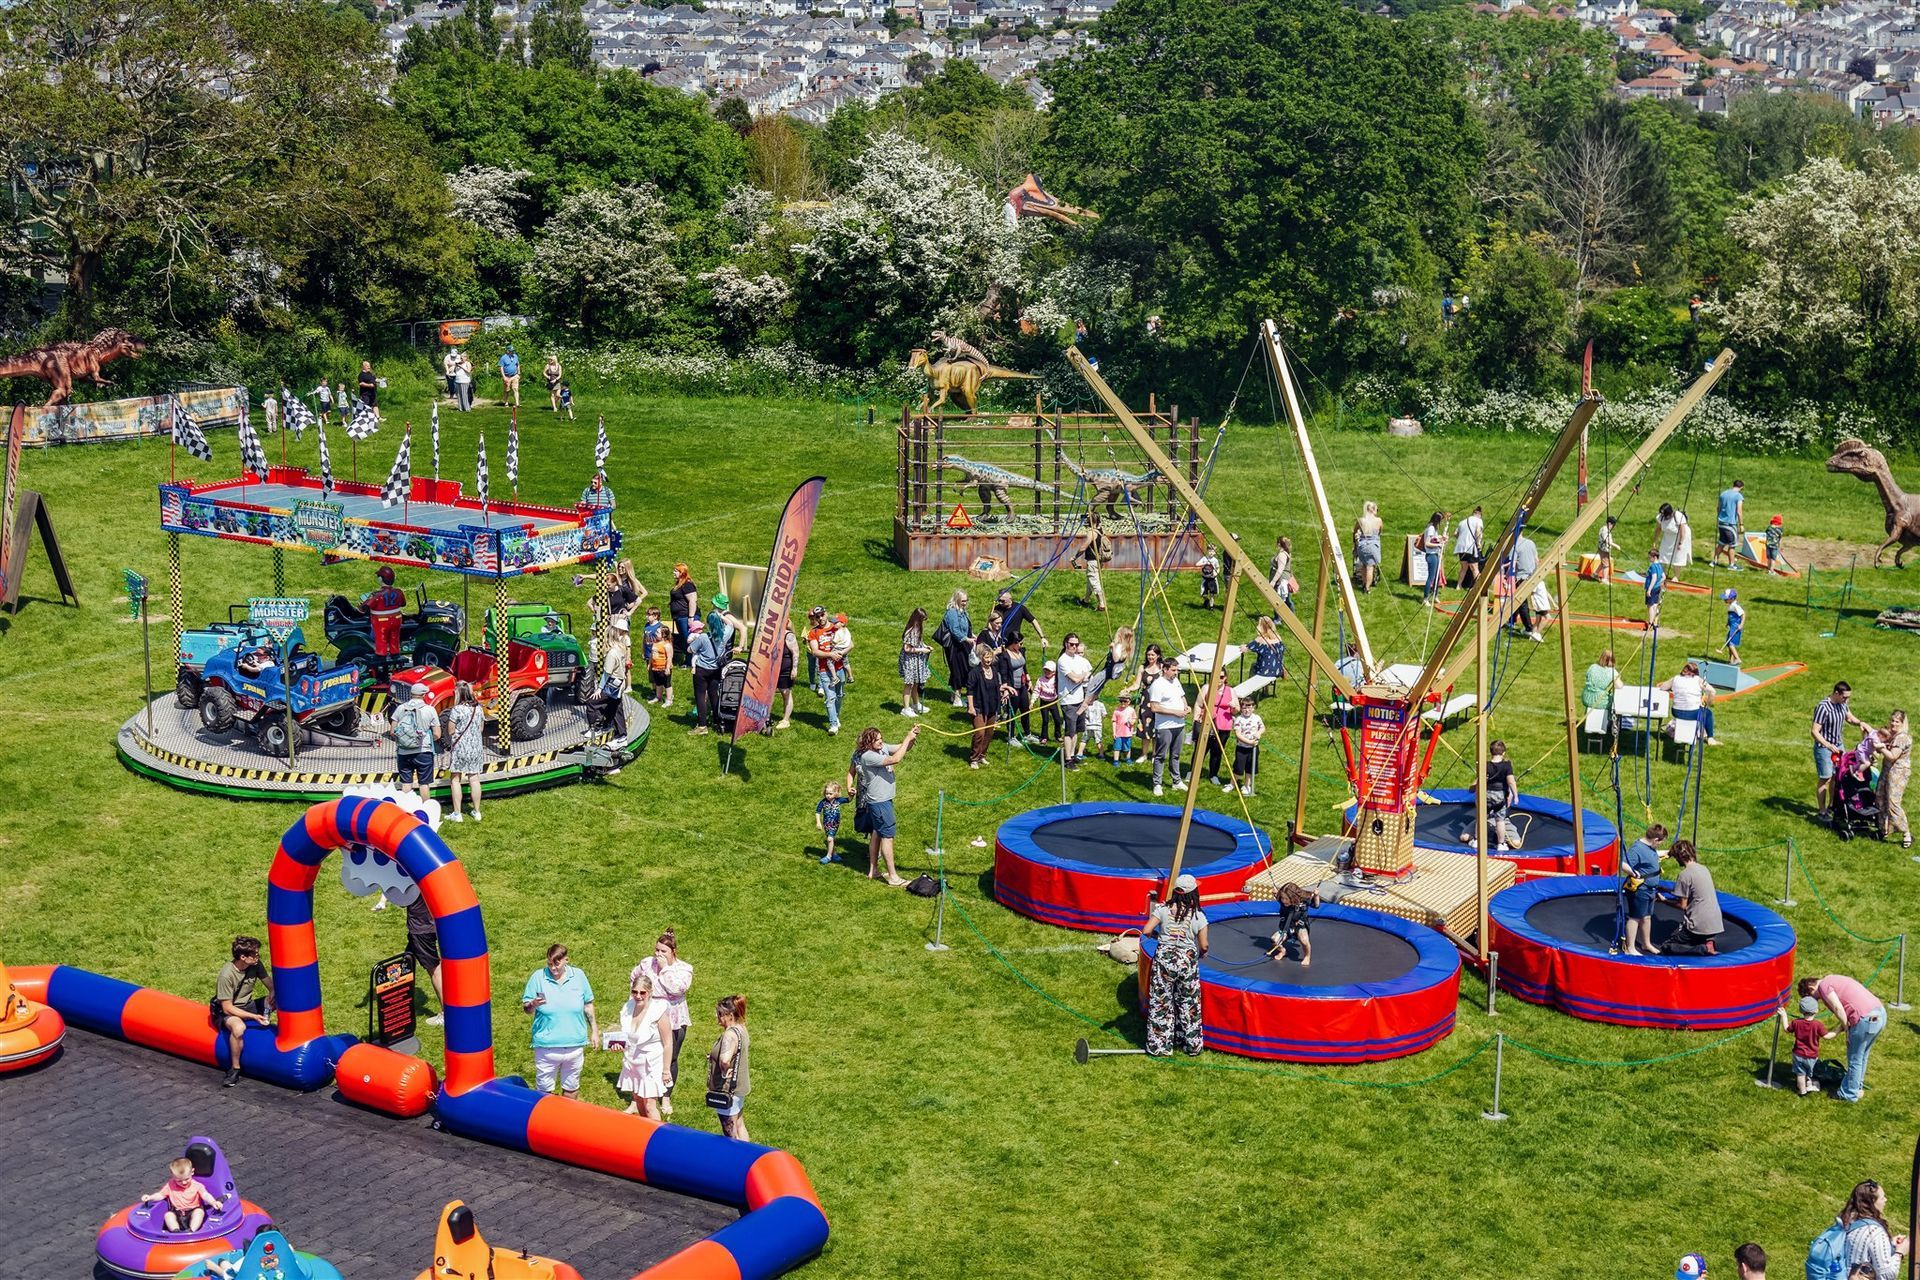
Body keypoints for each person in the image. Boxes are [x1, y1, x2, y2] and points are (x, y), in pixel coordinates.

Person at [1141, 874, 1208, 1056]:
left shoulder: (1163, 909)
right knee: (1189, 1002)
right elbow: (1203, 944)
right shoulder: (1198, 916)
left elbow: (1146, 930)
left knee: (1161, 1002)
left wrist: (1159, 937)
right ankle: (1192, 1045)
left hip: (1164, 960)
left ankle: (1159, 1047)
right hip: (1186, 960)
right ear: (1193, 893)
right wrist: (1203, 953)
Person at [522, 944, 596, 1099]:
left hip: (575, 1046)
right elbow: (526, 1009)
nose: (553, 968)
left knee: (571, 1087)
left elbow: (588, 1005)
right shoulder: (538, 977)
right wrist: (533, 1004)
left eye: (557, 963)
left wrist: (595, 1031)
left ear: (566, 960)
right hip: (546, 1048)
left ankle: (568, 1120)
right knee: (544, 1093)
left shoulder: (579, 976)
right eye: (549, 964)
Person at [848, 725, 919, 887]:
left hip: (881, 801)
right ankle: (893, 877)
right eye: (877, 740)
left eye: (881, 738)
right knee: (888, 836)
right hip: (880, 802)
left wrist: (911, 738)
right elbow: (895, 759)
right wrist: (908, 738)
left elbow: (903, 749)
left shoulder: (882, 748)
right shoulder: (868, 756)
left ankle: (874, 870)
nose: (881, 741)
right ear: (869, 742)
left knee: (877, 833)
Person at [1800, 973, 1887, 1103]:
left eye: (1813, 998)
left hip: (1865, 1019)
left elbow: (1837, 1008)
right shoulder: (1832, 978)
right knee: (1862, 1055)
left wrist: (1846, 1030)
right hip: (1880, 1013)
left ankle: (1849, 1094)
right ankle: (1856, 1087)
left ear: (1811, 989)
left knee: (1855, 1058)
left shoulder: (1824, 986)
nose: (1816, 1001)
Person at [633, 930, 693, 1115]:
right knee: (645, 1055)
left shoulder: (683, 969)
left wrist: (665, 969)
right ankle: (640, 1097)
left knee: (671, 1056)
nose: (658, 954)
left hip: (673, 1019)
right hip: (649, 1016)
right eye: (657, 950)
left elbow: (677, 989)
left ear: (673, 951)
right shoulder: (646, 964)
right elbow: (634, 978)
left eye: (663, 951)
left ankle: (665, 1095)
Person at [212, 935, 273, 1088]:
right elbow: (227, 1007)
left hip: (247, 1005)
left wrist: (273, 993)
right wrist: (253, 1016)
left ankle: (267, 1022)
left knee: (282, 999)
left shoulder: (256, 964)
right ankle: (235, 1069)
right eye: (255, 955)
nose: (258, 957)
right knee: (239, 1028)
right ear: (243, 957)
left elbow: (270, 984)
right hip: (228, 1010)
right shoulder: (227, 975)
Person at [613, 970, 674, 1119]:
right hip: (632, 1062)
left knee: (650, 1105)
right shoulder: (628, 1008)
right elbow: (627, 1037)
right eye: (635, 992)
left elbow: (668, 1043)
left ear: (650, 992)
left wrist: (666, 1070)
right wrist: (617, 1045)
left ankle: (658, 1138)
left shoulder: (658, 1011)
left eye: (642, 993)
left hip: (651, 1064)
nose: (638, 996)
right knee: (639, 1102)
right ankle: (644, 1136)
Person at [1813, 682, 1865, 822]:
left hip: (1838, 746)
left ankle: (1832, 806)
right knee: (1826, 778)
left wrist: (1861, 723)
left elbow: (1849, 718)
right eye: (1845, 697)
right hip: (1824, 748)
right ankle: (1822, 811)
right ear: (1836, 693)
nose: (1846, 700)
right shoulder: (1823, 707)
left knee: (1838, 777)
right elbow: (1815, 731)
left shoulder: (1842, 704)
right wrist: (1828, 745)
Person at [1660, 841, 1723, 955]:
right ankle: (1709, 939)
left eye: (1675, 858)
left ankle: (1701, 949)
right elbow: (1691, 892)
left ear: (1679, 857)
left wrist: (1664, 900)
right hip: (1715, 922)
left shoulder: (1684, 875)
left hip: (1698, 924)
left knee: (1667, 947)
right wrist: (1665, 890)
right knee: (1698, 934)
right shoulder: (1703, 869)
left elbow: (1682, 905)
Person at [1839, 1180, 1908, 1278]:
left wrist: (1890, 1245)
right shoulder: (1874, 1232)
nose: (1886, 1200)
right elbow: (1886, 1275)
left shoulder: (1847, 1220)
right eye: (1882, 1197)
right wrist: (1900, 1252)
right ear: (1872, 1203)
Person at [1461, 739, 1521, 851]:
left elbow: (1479, 782)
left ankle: (1477, 840)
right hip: (1499, 796)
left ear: (1491, 752)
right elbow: (1511, 781)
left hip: (1486, 795)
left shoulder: (1485, 765)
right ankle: (1501, 844)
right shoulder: (1507, 765)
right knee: (1500, 820)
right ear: (1503, 753)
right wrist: (1515, 795)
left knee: (1481, 818)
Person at [706, 994, 751, 1141]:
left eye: (720, 1013)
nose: (717, 1016)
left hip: (727, 1089)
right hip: (740, 1087)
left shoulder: (729, 1035)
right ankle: (748, 1157)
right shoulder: (742, 1028)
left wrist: (724, 1070)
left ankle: (736, 1160)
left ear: (730, 1015)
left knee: (729, 1130)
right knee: (739, 1124)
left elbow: (725, 1059)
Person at [1620, 823, 1669, 957]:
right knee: (1635, 917)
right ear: (1655, 840)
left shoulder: (1649, 847)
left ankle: (1646, 943)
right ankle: (1630, 947)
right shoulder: (1636, 849)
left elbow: (1652, 854)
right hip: (1640, 890)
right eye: (1660, 842)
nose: (1660, 845)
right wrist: (1634, 873)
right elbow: (1623, 864)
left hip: (1650, 889)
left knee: (1647, 917)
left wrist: (1666, 853)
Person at [1145, 653, 1189, 797]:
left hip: (1179, 724)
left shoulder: (1175, 681)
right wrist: (1175, 712)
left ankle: (1176, 781)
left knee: (1176, 755)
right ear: (1165, 669)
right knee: (1161, 755)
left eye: (1177, 670)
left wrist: (1186, 707)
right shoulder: (1157, 685)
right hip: (1165, 726)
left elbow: (1182, 696)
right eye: (1173, 670)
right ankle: (1157, 783)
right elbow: (1155, 707)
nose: (1176, 673)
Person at [390, 682, 442, 804]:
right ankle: (426, 809)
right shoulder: (430, 710)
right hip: (423, 752)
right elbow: (437, 734)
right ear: (423, 695)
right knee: (424, 784)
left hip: (403, 752)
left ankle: (407, 811)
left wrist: (405, 740)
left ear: (411, 694)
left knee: (406, 784)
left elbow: (392, 732)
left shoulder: (400, 708)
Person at [142, 1157, 224, 1232]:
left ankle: (191, 1230)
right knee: (168, 1215)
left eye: (186, 1179)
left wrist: (213, 1202)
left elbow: (205, 1195)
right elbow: (160, 1195)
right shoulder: (171, 1185)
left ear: (192, 1172)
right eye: (179, 1180)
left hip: (193, 1211)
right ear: (173, 1176)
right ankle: (175, 1231)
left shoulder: (197, 1186)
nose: (183, 1182)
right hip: (177, 1213)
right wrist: (150, 1197)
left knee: (199, 1212)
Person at [443, 680, 485, 821]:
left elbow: (451, 730)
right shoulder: (478, 708)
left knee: (455, 779)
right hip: (476, 747)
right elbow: (481, 728)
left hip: (460, 747)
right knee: (474, 779)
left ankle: (457, 813)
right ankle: (477, 811)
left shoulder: (457, 710)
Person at [1779, 995, 1836, 1096]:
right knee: (1809, 1072)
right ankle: (1807, 1086)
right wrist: (1839, 1029)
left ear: (1801, 1010)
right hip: (1812, 1056)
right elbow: (1827, 1036)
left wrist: (1784, 1016)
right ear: (1816, 1010)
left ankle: (1802, 1091)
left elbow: (1786, 1029)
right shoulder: (1818, 1025)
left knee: (1800, 1074)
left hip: (1798, 1054)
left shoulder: (1796, 1023)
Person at [966, 643, 1012, 768]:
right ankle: (974, 758)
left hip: (992, 706)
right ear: (980, 657)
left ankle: (982, 756)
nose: (988, 660)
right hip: (978, 707)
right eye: (986, 657)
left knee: (989, 733)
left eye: (990, 657)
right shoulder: (974, 673)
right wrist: (970, 707)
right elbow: (970, 691)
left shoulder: (994, 670)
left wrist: (1005, 690)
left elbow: (996, 686)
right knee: (979, 733)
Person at [405, 895, 445, 1026]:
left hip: (421, 928)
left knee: (434, 969)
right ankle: (401, 1002)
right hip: (435, 922)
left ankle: (446, 1014)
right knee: (406, 960)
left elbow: (402, 900)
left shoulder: (410, 878)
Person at [1056, 632, 1093, 770]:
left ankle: (1072, 755)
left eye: (1076, 644)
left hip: (1080, 699)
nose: (1074, 647)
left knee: (1077, 730)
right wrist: (1083, 676)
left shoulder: (1079, 659)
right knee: (1069, 731)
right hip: (1068, 700)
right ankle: (1067, 759)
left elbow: (1090, 671)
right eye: (1071, 644)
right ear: (1066, 644)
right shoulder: (1062, 660)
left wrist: (1083, 676)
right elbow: (1075, 679)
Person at [1663, 661, 1720, 747]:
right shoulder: (1698, 680)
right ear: (1695, 673)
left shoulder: (1675, 678)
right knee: (1708, 714)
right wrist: (1708, 703)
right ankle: (1710, 738)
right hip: (1692, 713)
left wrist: (1673, 690)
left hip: (1676, 712)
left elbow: (1662, 687)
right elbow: (1712, 691)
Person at [810, 615, 849, 736]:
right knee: (830, 698)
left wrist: (841, 653)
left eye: (822, 615)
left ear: (826, 614)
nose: (821, 618)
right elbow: (815, 651)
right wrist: (830, 655)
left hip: (840, 668)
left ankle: (836, 716)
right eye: (818, 617)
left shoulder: (836, 627)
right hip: (824, 670)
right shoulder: (813, 632)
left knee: (840, 695)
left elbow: (850, 644)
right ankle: (833, 725)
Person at [1877, 709, 1911, 848]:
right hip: (1887, 770)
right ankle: (1884, 829)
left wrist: (1880, 748)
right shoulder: (1893, 735)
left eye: (1897, 721)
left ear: (1902, 723)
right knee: (1880, 797)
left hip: (1898, 773)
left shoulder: (1902, 738)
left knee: (1892, 802)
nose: (1893, 724)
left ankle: (1906, 833)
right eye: (1892, 720)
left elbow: (1892, 756)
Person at [364, 565, 407, 672]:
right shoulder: (398, 592)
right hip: (396, 619)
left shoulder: (378, 595)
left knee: (381, 639)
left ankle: (381, 654)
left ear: (380, 579)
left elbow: (366, 606)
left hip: (381, 622)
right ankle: (395, 653)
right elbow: (403, 603)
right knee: (394, 637)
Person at [598, 616, 632, 744]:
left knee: (602, 703)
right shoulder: (620, 643)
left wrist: (600, 688)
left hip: (615, 681)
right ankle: (611, 726)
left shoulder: (618, 645)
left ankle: (620, 734)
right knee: (615, 705)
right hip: (618, 679)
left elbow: (607, 672)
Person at [1267, 882, 1319, 964]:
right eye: (1282, 898)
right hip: (1286, 926)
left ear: (1293, 897)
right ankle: (1283, 951)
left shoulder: (1304, 901)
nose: (1284, 901)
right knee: (1274, 940)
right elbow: (1278, 896)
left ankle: (1307, 956)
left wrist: (1316, 896)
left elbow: (1316, 905)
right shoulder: (1282, 900)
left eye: (1286, 899)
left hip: (1300, 926)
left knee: (1305, 941)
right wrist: (1275, 893)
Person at [1199, 674, 1236, 786]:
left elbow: (1236, 710)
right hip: (1208, 723)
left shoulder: (1230, 691)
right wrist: (1198, 718)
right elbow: (1199, 704)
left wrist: (1233, 707)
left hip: (1224, 725)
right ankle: (1193, 772)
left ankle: (1213, 774)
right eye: (1216, 676)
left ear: (1225, 678)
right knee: (1201, 749)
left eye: (1221, 677)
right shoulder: (1207, 687)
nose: (1219, 679)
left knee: (1217, 751)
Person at [689, 619, 723, 736]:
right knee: (714, 695)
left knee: (700, 696)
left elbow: (690, 649)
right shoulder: (724, 636)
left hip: (702, 670)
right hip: (716, 669)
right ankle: (717, 721)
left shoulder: (703, 637)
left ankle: (702, 726)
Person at [899, 607, 933, 717]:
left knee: (916, 682)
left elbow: (918, 642)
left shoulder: (918, 629)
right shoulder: (910, 631)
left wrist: (925, 646)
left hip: (916, 660)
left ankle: (915, 704)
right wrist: (922, 650)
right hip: (909, 661)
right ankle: (906, 708)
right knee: (909, 683)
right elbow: (907, 649)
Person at [1509, 532, 1543, 641]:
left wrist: (1507, 577)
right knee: (1526, 601)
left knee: (1521, 603)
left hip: (1521, 578)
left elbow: (1513, 565)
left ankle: (1529, 628)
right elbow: (1537, 560)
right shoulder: (1531, 543)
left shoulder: (1515, 546)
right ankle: (1512, 620)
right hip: (1533, 577)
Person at [1229, 696, 1265, 796]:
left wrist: (1259, 733)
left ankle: (1246, 785)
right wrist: (1249, 742)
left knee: (1250, 767)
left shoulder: (1257, 718)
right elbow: (1238, 734)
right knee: (1238, 768)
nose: (1247, 710)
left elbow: (1262, 728)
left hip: (1253, 749)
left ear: (1253, 708)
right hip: (1241, 748)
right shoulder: (1239, 719)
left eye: (1249, 708)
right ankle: (1232, 784)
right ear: (1241, 708)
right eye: (1244, 708)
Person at [995, 587, 1047, 653]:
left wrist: (1042, 637)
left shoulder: (1020, 608)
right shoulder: (997, 609)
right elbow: (991, 624)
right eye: (999, 600)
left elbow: (1033, 621)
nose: (1000, 603)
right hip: (1000, 643)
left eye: (1002, 601)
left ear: (1010, 599)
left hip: (1014, 643)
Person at [668, 564, 697, 666]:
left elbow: (693, 600)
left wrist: (691, 617)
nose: (673, 572)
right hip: (680, 617)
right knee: (684, 639)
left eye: (676, 571)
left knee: (688, 639)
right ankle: (688, 660)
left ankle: (690, 662)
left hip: (685, 617)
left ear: (682, 573)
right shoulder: (679, 584)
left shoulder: (687, 584)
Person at [1352, 501, 1383, 593]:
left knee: (1364, 565)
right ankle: (1367, 587)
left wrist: (1355, 542)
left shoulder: (1361, 520)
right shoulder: (1379, 520)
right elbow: (1380, 531)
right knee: (1370, 567)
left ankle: (1364, 583)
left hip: (1362, 545)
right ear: (1373, 510)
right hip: (1373, 545)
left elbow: (1354, 531)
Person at [1078, 524, 1110, 612]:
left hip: (1093, 561)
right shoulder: (1100, 531)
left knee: (1095, 582)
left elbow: (1084, 547)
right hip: (1099, 560)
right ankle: (1086, 600)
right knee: (1090, 581)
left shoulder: (1091, 533)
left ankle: (1101, 605)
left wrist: (1075, 557)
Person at [1419, 512, 1448, 605]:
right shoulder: (1431, 528)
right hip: (1431, 555)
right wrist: (1439, 544)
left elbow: (1433, 539)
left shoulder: (1432, 528)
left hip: (1435, 554)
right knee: (1431, 578)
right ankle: (1425, 598)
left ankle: (1435, 596)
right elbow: (1427, 543)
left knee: (1437, 577)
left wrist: (1440, 538)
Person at [1247, 615, 1285, 684]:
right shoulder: (1279, 638)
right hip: (1278, 670)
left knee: (1254, 666)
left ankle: (1251, 686)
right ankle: (1266, 690)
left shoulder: (1261, 640)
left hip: (1264, 671)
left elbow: (1247, 648)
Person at [645, 616, 673, 709]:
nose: (655, 633)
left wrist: (667, 667)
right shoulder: (655, 643)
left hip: (664, 668)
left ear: (664, 635)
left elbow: (669, 657)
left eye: (657, 632)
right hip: (655, 667)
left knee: (667, 684)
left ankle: (669, 699)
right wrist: (649, 664)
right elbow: (651, 655)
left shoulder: (667, 645)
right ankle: (658, 697)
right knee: (658, 683)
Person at [1583, 649, 1621, 717]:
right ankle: (1610, 720)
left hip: (1586, 698)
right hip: (1600, 700)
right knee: (1617, 702)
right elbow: (1619, 686)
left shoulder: (1592, 667)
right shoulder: (1612, 672)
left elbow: (1587, 676)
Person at [1716, 479, 1745, 568]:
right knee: (1732, 545)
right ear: (1741, 487)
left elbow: (1718, 508)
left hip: (1721, 522)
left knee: (1721, 543)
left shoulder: (1723, 493)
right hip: (1730, 524)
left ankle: (1714, 561)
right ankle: (1732, 565)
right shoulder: (1738, 496)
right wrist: (1741, 524)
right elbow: (1739, 511)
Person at [1455, 505, 1484, 590]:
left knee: (1464, 567)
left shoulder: (1462, 521)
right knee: (1475, 567)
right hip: (1471, 547)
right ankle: (1478, 587)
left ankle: (1458, 585)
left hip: (1461, 547)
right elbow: (1478, 531)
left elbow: (1455, 533)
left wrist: (1461, 539)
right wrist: (1478, 543)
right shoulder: (1478, 520)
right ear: (1479, 514)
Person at [1655, 502, 1693, 568]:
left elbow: (1682, 530)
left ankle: (1676, 576)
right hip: (1668, 537)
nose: (1663, 516)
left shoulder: (1678, 516)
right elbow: (1658, 529)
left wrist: (1680, 543)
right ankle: (1663, 573)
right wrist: (1655, 541)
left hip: (1680, 536)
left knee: (1677, 557)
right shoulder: (1660, 517)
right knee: (1663, 554)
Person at [775, 622, 798, 728]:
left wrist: (794, 669)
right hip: (774, 669)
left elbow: (795, 652)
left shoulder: (788, 636)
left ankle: (786, 720)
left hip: (785, 669)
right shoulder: (774, 633)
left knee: (786, 692)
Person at [816, 781, 845, 864]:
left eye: (830, 793)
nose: (828, 795)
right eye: (827, 793)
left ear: (836, 793)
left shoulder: (838, 801)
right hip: (826, 824)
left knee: (829, 839)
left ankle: (828, 856)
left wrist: (851, 795)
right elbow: (817, 811)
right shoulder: (823, 802)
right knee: (831, 839)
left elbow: (848, 800)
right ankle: (834, 854)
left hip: (835, 824)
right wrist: (818, 822)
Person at [1035, 660, 1060, 742]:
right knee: (1045, 720)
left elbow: (1054, 693)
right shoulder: (1040, 680)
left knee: (1057, 719)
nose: (1046, 672)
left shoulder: (1056, 681)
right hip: (1044, 702)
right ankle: (1044, 737)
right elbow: (1036, 691)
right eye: (1045, 670)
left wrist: (1044, 689)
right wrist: (1032, 701)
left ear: (1054, 672)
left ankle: (1058, 735)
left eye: (1049, 671)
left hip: (1053, 702)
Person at [1269, 535, 1296, 609]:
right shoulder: (1284, 553)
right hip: (1283, 579)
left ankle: (1278, 619)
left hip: (1281, 580)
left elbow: (1280, 569)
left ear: (1279, 544)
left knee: (1279, 599)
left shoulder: (1282, 555)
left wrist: (1273, 581)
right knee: (1286, 600)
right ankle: (1289, 618)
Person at [1110, 693, 1137, 766]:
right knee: (1117, 747)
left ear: (1129, 702)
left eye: (1125, 701)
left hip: (1127, 733)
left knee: (1127, 748)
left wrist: (1132, 722)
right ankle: (1116, 760)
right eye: (1121, 701)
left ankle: (1128, 758)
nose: (1123, 703)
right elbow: (1114, 722)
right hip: (1118, 733)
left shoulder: (1131, 710)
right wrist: (1114, 732)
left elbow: (1134, 718)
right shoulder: (1117, 710)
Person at [1645, 553, 1668, 631]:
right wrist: (1659, 582)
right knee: (1655, 605)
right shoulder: (1659, 565)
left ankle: (1650, 623)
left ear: (1654, 557)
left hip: (1652, 588)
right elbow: (1664, 577)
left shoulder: (1653, 566)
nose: (1649, 559)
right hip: (1657, 588)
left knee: (1650, 606)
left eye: (1650, 557)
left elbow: (1654, 578)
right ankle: (1655, 623)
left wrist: (1649, 589)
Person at [1722, 588, 1745, 665]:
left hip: (1736, 627)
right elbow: (1732, 616)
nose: (1724, 600)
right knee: (1728, 643)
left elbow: (1743, 614)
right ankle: (1731, 661)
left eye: (1726, 599)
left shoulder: (1735, 605)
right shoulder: (1731, 605)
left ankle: (1737, 659)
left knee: (1731, 643)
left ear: (1731, 599)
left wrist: (1741, 624)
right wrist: (1728, 622)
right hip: (1732, 626)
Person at [1197, 540, 1221, 608]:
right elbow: (1197, 564)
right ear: (1207, 551)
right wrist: (1204, 563)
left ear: (1215, 552)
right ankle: (1206, 600)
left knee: (1212, 594)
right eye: (1210, 551)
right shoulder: (1204, 558)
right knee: (1203, 594)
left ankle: (1211, 606)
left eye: (1213, 551)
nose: (1211, 553)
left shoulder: (1215, 560)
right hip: (1205, 579)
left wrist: (1216, 573)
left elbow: (1218, 568)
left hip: (1212, 579)